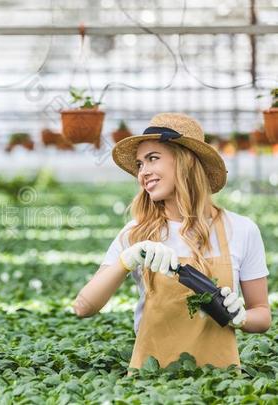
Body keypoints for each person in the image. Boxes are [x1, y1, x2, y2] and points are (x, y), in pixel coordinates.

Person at [73, 113, 271, 369]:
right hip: (150, 384)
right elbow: (83, 307)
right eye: (139, 164)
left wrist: (241, 317)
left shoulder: (242, 230)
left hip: (220, 384)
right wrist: (127, 259)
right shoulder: (135, 233)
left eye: (152, 158)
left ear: (185, 162)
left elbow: (262, 315)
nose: (143, 172)